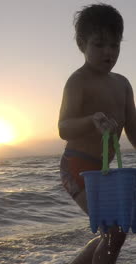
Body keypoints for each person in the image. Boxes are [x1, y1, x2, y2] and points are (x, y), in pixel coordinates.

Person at [58, 3, 136, 264]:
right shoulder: (78, 81)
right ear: (82, 43)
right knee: (113, 231)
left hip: (105, 171)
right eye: (99, 44)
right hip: (76, 166)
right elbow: (63, 127)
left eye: (114, 45)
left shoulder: (123, 84)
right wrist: (91, 121)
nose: (108, 52)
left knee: (115, 231)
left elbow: (133, 132)